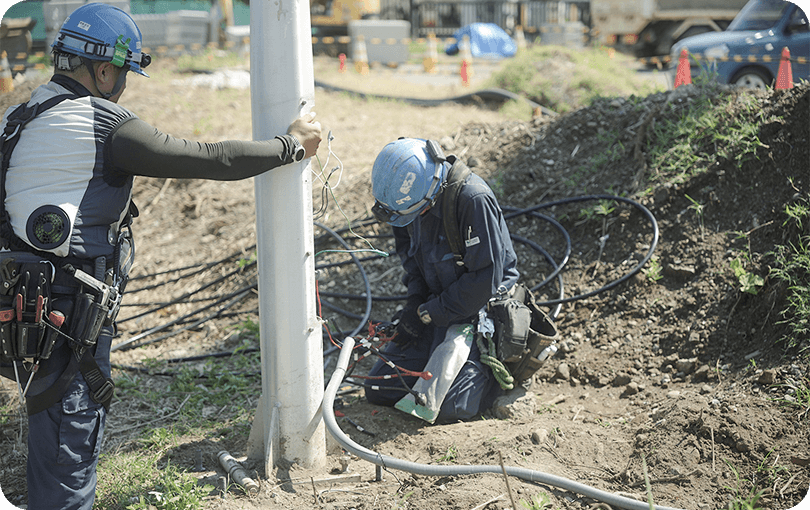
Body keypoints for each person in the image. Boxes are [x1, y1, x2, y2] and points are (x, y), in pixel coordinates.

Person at [0, 4, 321, 509]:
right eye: (123, 73)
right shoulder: (103, 124)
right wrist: (291, 146)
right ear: (103, 69)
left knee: (53, 432)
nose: (124, 86)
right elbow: (208, 158)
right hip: (65, 313)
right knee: (70, 449)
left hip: (27, 305)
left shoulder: (20, 116)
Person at [364, 137, 519, 424]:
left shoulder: (473, 200)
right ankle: (435, 360)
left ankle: (493, 378)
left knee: (452, 408)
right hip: (435, 308)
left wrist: (428, 314)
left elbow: (485, 280)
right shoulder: (406, 205)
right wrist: (414, 305)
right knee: (379, 387)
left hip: (475, 312)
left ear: (430, 193)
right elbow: (413, 265)